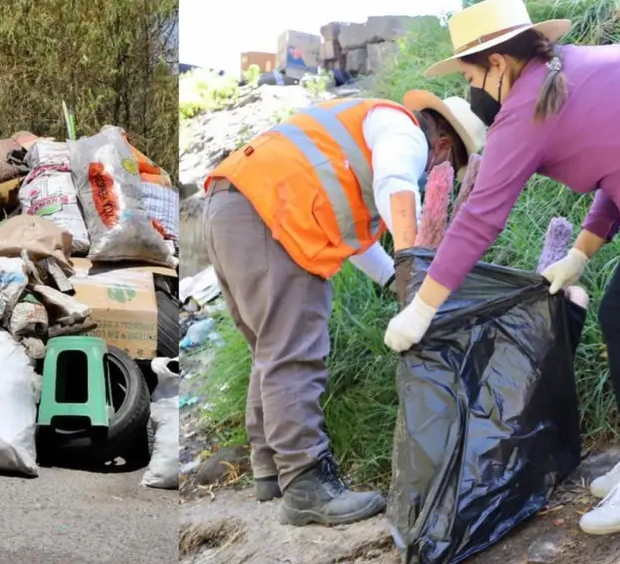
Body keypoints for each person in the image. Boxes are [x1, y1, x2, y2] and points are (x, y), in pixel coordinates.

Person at [382, 0, 620, 536]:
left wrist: (421, 310)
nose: (471, 88)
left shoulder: (530, 103)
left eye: (469, 74)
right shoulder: (571, 70)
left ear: (496, 63)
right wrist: (580, 253)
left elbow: (479, 219)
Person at [203, 91, 487, 526]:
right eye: (443, 166)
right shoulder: (405, 134)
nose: (434, 173)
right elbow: (397, 183)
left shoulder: (362, 128)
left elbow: (356, 239)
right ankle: (306, 484)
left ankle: (270, 470)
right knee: (295, 349)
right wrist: (414, 264)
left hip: (232, 205)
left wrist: (394, 277)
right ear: (444, 144)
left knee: (270, 345)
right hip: (271, 215)